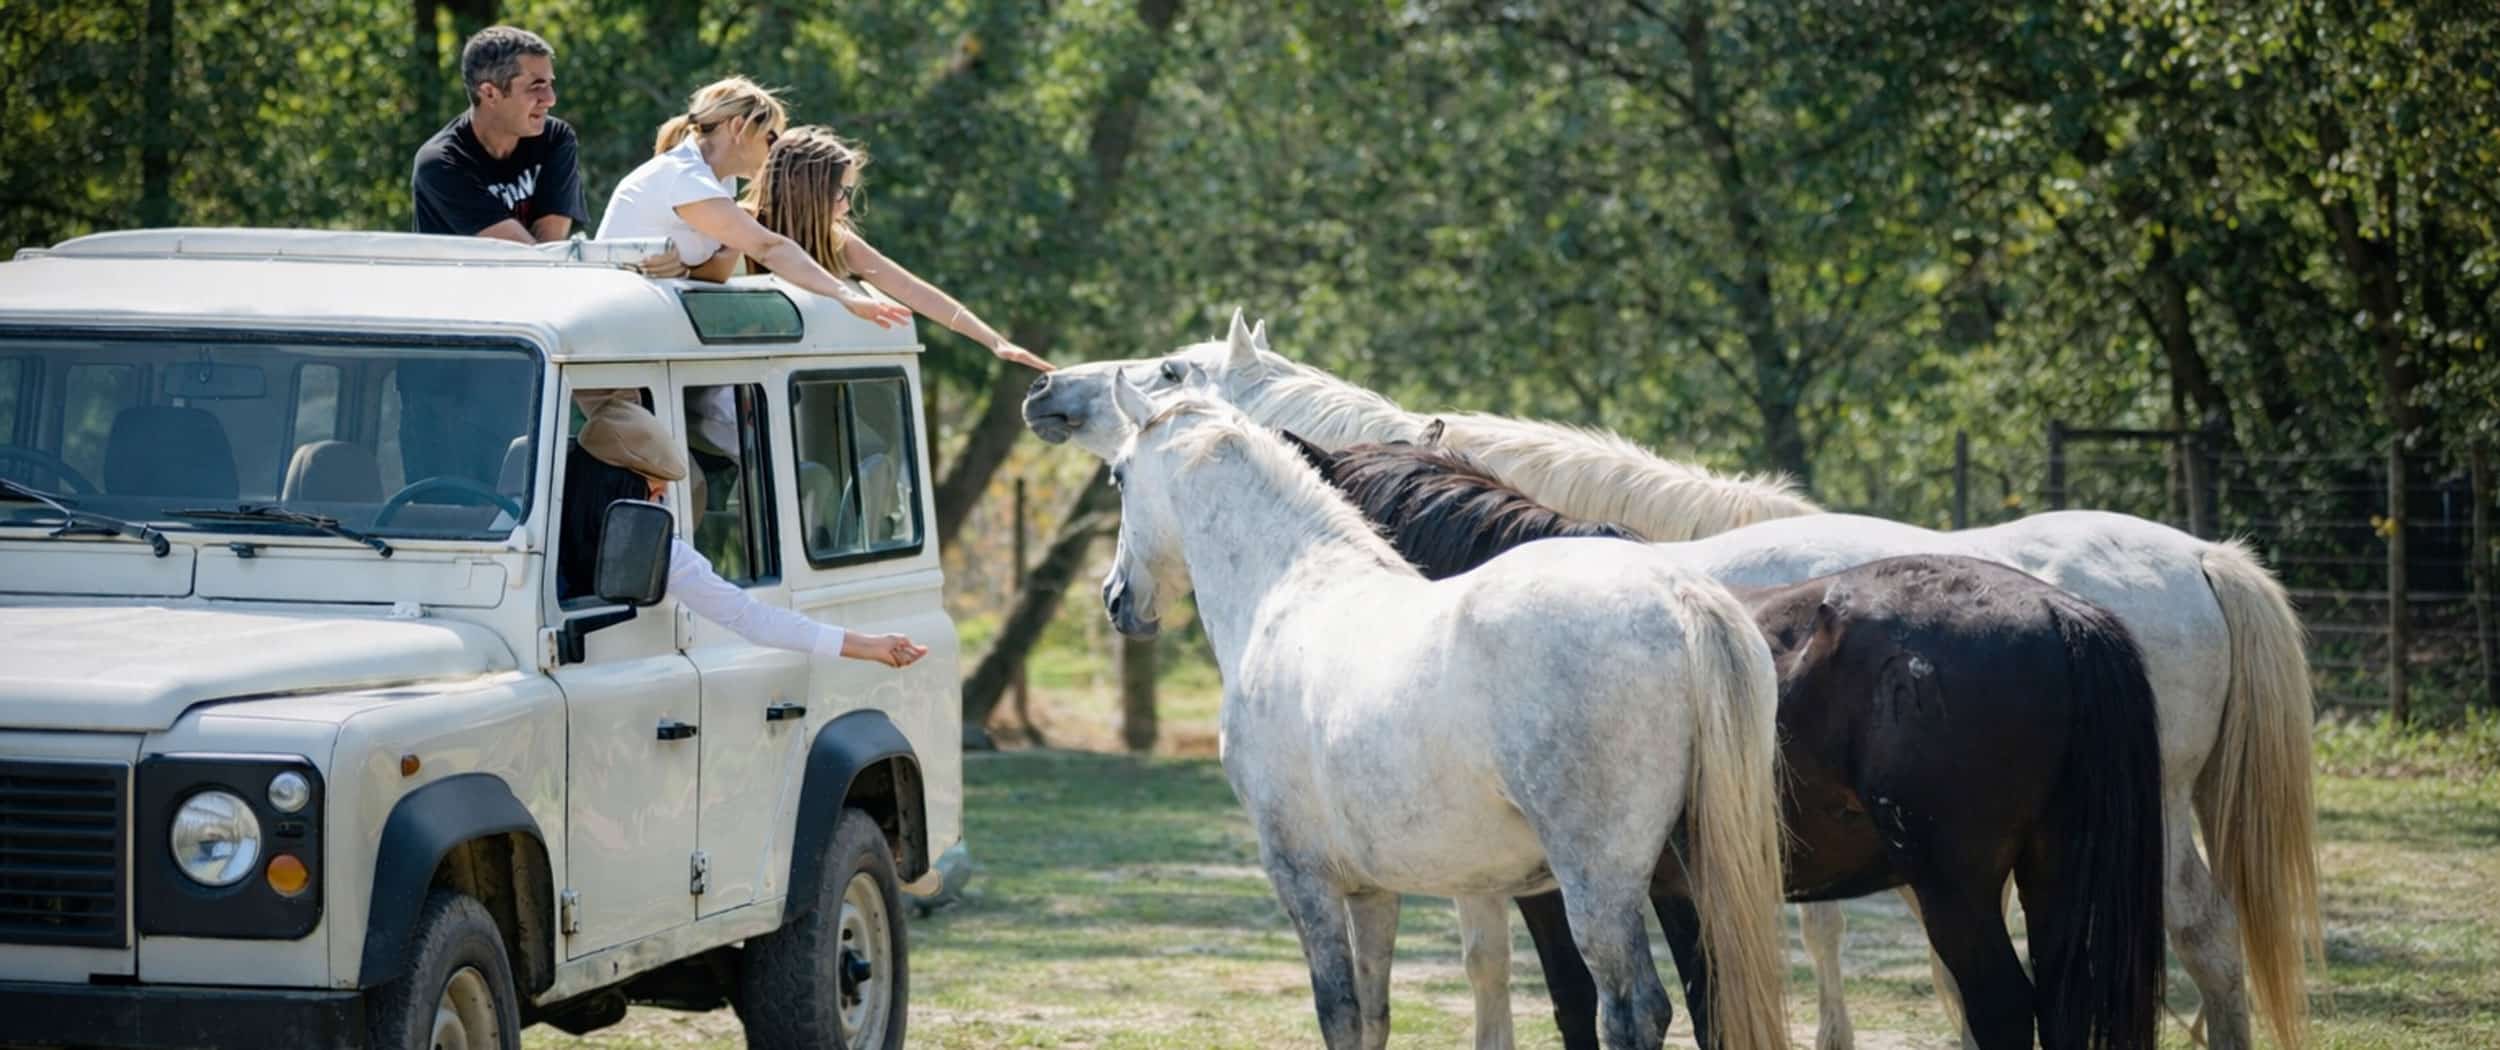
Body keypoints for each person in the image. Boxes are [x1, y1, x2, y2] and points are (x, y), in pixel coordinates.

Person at [562, 396, 927, 668]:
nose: (659, 505)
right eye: (653, 493)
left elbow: (749, 616)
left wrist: (868, 646)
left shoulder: (658, 548)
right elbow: (750, 618)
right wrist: (869, 646)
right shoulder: (560, 524)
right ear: (616, 488)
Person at [597, 78, 911, 330]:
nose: (775, 152)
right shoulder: (686, 179)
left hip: (638, 324)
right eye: (771, 138)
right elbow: (768, 248)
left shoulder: (717, 182)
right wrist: (844, 295)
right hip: (614, 325)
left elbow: (714, 274)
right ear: (738, 128)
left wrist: (681, 269)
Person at [749, 125, 1052, 373]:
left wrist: (995, 342)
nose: (846, 206)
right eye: (840, 192)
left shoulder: (838, 242)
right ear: (802, 185)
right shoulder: (740, 225)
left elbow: (911, 290)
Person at [411, 27, 586, 244]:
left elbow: (549, 250)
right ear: (489, 93)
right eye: (536, 86)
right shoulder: (441, 163)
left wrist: (547, 256)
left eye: (550, 84)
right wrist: (546, 257)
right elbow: (525, 256)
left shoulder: (555, 138)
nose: (550, 99)